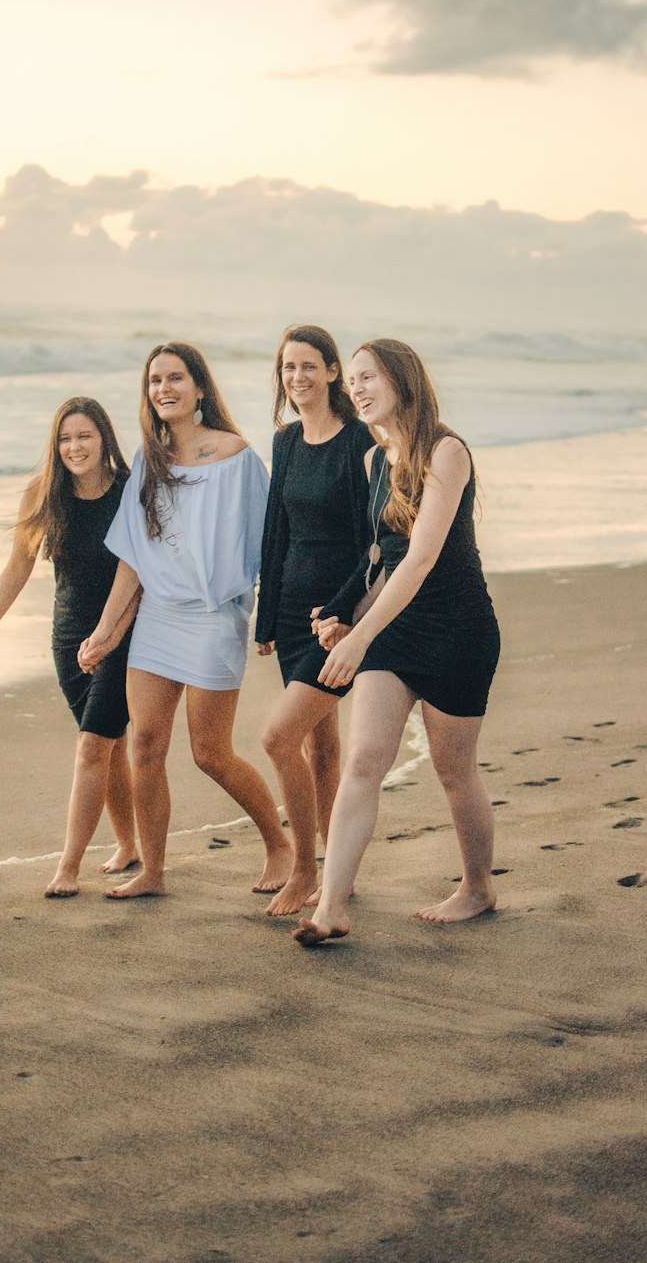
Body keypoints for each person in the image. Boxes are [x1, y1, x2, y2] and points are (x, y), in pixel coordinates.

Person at [292, 339, 501, 946]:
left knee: (454, 770)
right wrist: (345, 618)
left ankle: (478, 888)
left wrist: (359, 638)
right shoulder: (374, 460)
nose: (355, 388)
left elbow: (422, 558)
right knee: (364, 762)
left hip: (459, 631)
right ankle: (330, 907)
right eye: (351, 380)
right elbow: (381, 558)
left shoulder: (446, 452)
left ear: (402, 381)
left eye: (367, 377)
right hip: (395, 628)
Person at [78, 343, 292, 901]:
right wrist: (105, 631)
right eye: (154, 380)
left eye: (175, 378)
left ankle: (279, 844)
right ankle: (153, 871)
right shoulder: (149, 459)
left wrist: (268, 617)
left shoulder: (237, 456)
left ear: (199, 387)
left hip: (214, 617)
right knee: (144, 744)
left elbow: (270, 544)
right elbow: (132, 557)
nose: (163, 389)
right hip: (157, 617)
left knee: (209, 753)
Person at [0, 397, 140, 898]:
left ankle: (69, 865)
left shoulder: (130, 490)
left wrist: (108, 636)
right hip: (67, 636)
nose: (74, 447)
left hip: (123, 632)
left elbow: (143, 575)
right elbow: (18, 565)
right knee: (107, 744)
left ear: (104, 438)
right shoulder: (43, 495)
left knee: (92, 745)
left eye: (84, 436)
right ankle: (128, 845)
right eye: (65, 439)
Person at [255, 325, 374, 917]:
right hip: (290, 615)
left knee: (278, 739)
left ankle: (304, 870)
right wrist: (264, 616)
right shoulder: (285, 442)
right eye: (287, 368)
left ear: (332, 372)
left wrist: (346, 617)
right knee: (319, 747)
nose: (296, 378)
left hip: (336, 623)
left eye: (308, 366)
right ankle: (336, 870)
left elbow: (369, 543)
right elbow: (276, 530)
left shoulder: (360, 445)